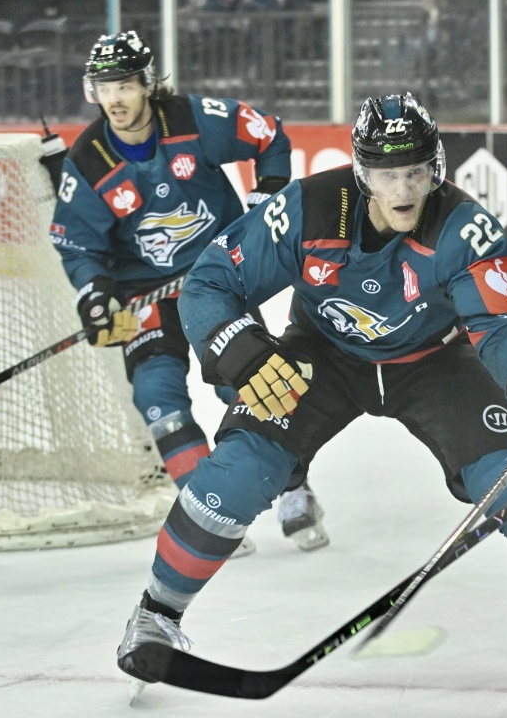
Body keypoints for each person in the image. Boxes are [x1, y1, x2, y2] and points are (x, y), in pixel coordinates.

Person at [114, 91, 507, 704]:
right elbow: (211, 281)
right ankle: (156, 614)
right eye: (387, 174)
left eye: (416, 172)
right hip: (321, 356)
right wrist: (242, 352)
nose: (403, 190)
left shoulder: (465, 229)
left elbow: (500, 328)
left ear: (436, 167)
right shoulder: (310, 208)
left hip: (433, 364)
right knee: (240, 468)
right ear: (362, 173)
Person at [50, 29, 327, 552]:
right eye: (104, 88)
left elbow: (268, 135)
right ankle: (209, 508)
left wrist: (267, 199)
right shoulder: (88, 160)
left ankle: (294, 489)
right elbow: (77, 244)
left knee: (250, 385)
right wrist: (95, 294)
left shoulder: (192, 119)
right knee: (156, 395)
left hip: (215, 279)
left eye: (124, 85)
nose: (115, 99)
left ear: (147, 84)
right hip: (144, 293)